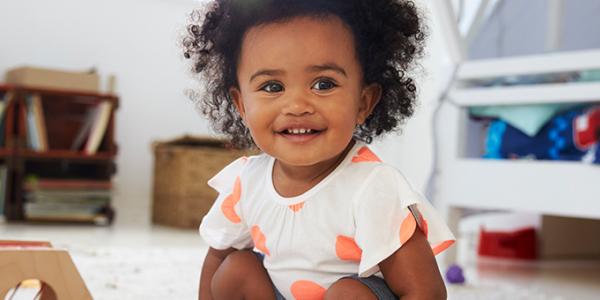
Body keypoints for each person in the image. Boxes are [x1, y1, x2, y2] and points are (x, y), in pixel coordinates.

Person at [182, 0, 455, 299]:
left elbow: (424, 291)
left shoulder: (373, 189)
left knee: (348, 294)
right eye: (272, 87)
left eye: (323, 84)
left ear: (364, 102)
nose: (297, 106)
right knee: (236, 270)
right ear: (242, 105)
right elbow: (218, 257)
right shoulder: (246, 183)